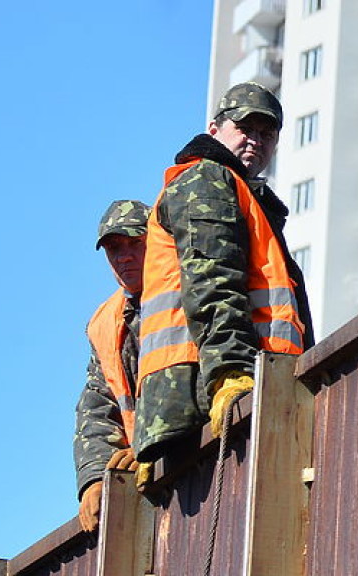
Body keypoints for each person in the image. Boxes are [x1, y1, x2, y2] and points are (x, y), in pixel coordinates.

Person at [133, 82, 314, 464]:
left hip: (195, 398)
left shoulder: (241, 193)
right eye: (245, 128)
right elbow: (213, 283)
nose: (256, 141)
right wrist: (230, 372)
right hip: (209, 391)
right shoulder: (209, 180)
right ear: (214, 131)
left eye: (267, 133)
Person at [74, 199, 150, 532]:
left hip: (192, 455)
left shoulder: (187, 293)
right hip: (145, 476)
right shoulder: (106, 322)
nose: (125, 256)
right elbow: (96, 407)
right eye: (114, 248)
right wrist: (93, 478)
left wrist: (153, 445)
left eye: (136, 243)